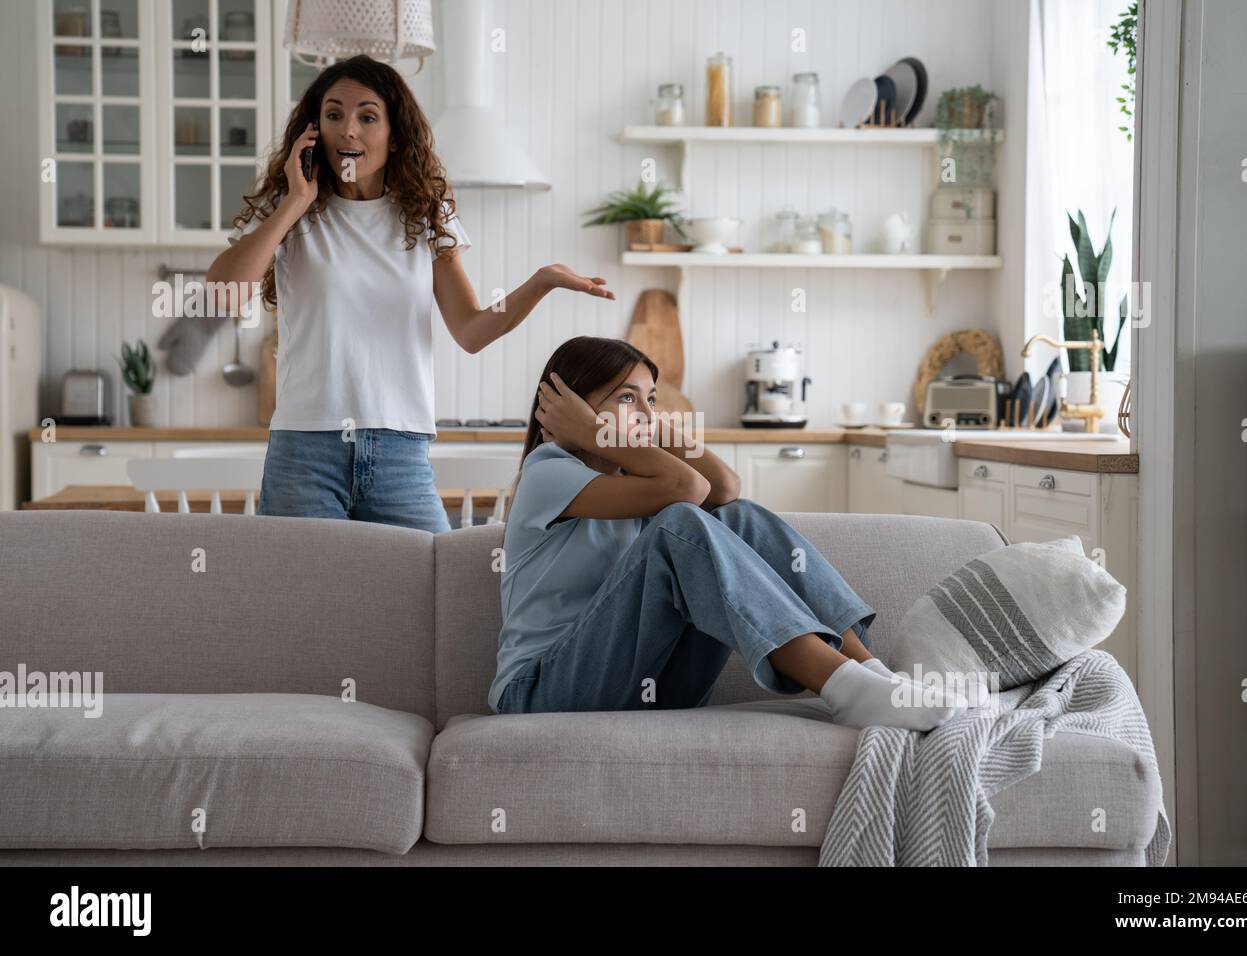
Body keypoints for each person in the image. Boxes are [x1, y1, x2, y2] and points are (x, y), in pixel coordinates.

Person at [208, 55, 613, 533]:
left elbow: (472, 329)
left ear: (395, 134)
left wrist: (540, 281)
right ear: (313, 130)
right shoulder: (291, 209)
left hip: (399, 450)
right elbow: (224, 296)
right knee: (304, 604)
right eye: (334, 115)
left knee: (429, 591)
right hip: (305, 448)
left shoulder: (424, 215)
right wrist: (296, 202)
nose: (348, 130)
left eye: (367, 116)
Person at [488, 336, 970, 730]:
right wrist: (592, 433)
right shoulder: (548, 472)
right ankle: (843, 688)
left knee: (738, 515)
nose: (645, 414)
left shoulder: (628, 481)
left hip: (646, 688)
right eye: (626, 398)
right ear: (568, 410)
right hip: (543, 692)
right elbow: (687, 486)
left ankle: (872, 674)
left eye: (650, 399)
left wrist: (644, 423)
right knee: (680, 524)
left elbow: (723, 486)